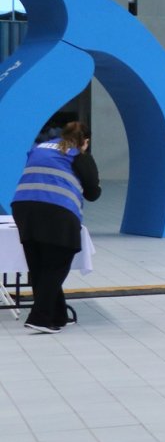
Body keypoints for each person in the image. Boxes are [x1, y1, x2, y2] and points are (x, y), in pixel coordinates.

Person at [11, 122, 100, 333]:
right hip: (57, 211)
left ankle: (57, 315)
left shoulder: (40, 148)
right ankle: (40, 318)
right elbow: (92, 193)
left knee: (39, 265)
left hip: (23, 208)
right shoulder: (79, 155)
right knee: (56, 264)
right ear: (85, 141)